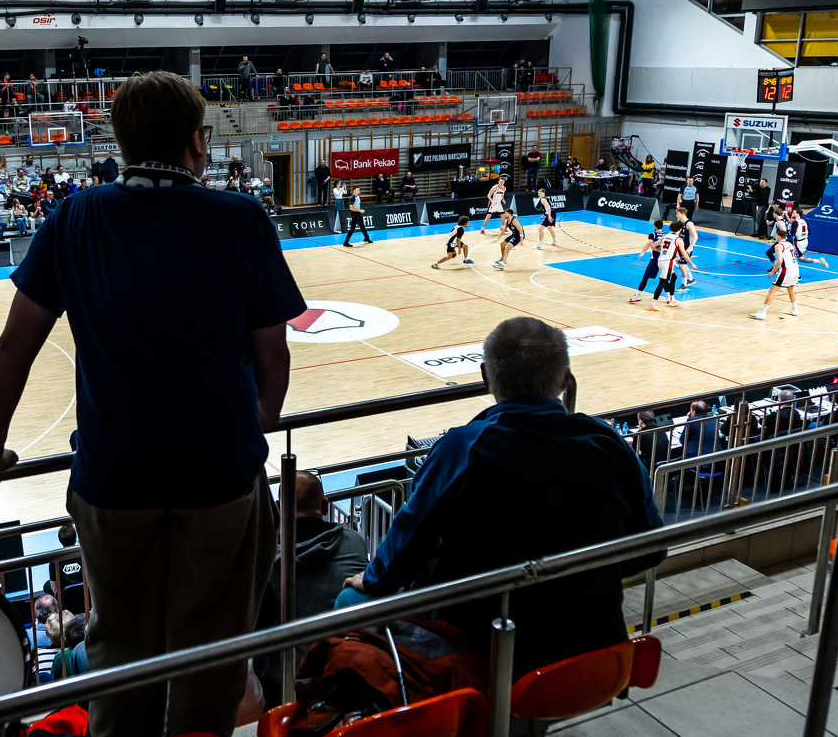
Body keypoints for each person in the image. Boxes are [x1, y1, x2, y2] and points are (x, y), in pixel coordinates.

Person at [0, 71, 304, 737]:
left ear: (120, 141)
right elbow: (273, 355)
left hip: (114, 477)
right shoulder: (241, 218)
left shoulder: (76, 216)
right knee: (214, 648)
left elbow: (15, 344)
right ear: (197, 142)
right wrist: (254, 428)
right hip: (219, 475)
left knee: (118, 643)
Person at [339, 316, 663, 671]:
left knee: (349, 600)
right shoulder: (608, 442)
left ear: (485, 376)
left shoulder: (463, 448)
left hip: (486, 655)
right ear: (565, 379)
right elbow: (651, 550)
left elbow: (404, 551)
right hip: (600, 653)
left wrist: (371, 579)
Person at [254, 471, 369, 704]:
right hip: (350, 673)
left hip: (287, 686)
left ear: (278, 508)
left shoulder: (262, 556)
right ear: (325, 506)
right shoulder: (353, 541)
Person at [751, 224, 801, 319]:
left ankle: (763, 313)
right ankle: (794, 310)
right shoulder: (789, 244)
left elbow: (780, 261)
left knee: (772, 291)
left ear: (778, 236)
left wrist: (773, 271)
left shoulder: (778, 246)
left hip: (786, 270)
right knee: (790, 289)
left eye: (776, 235)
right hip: (795, 269)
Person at [649, 220, 693, 312]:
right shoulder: (678, 240)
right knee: (662, 283)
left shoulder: (665, 236)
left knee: (673, 277)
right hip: (667, 263)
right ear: (680, 229)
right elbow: (684, 255)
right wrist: (692, 264)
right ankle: (653, 304)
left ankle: (671, 298)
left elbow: (653, 246)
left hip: (661, 261)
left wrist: (663, 252)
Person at [628, 219, 667, 304]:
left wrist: (643, 252)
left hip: (655, 259)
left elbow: (649, 244)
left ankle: (638, 295)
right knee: (664, 279)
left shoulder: (653, 234)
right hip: (664, 259)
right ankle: (669, 298)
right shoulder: (666, 235)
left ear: (655, 226)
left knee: (645, 277)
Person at [675, 205, 699, 292]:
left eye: (677, 214)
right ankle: (691, 279)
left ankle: (684, 284)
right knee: (682, 263)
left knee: (682, 264)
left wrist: (690, 247)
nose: (676, 215)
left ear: (682, 214)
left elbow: (695, 236)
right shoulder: (680, 222)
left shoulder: (689, 224)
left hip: (687, 247)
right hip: (681, 246)